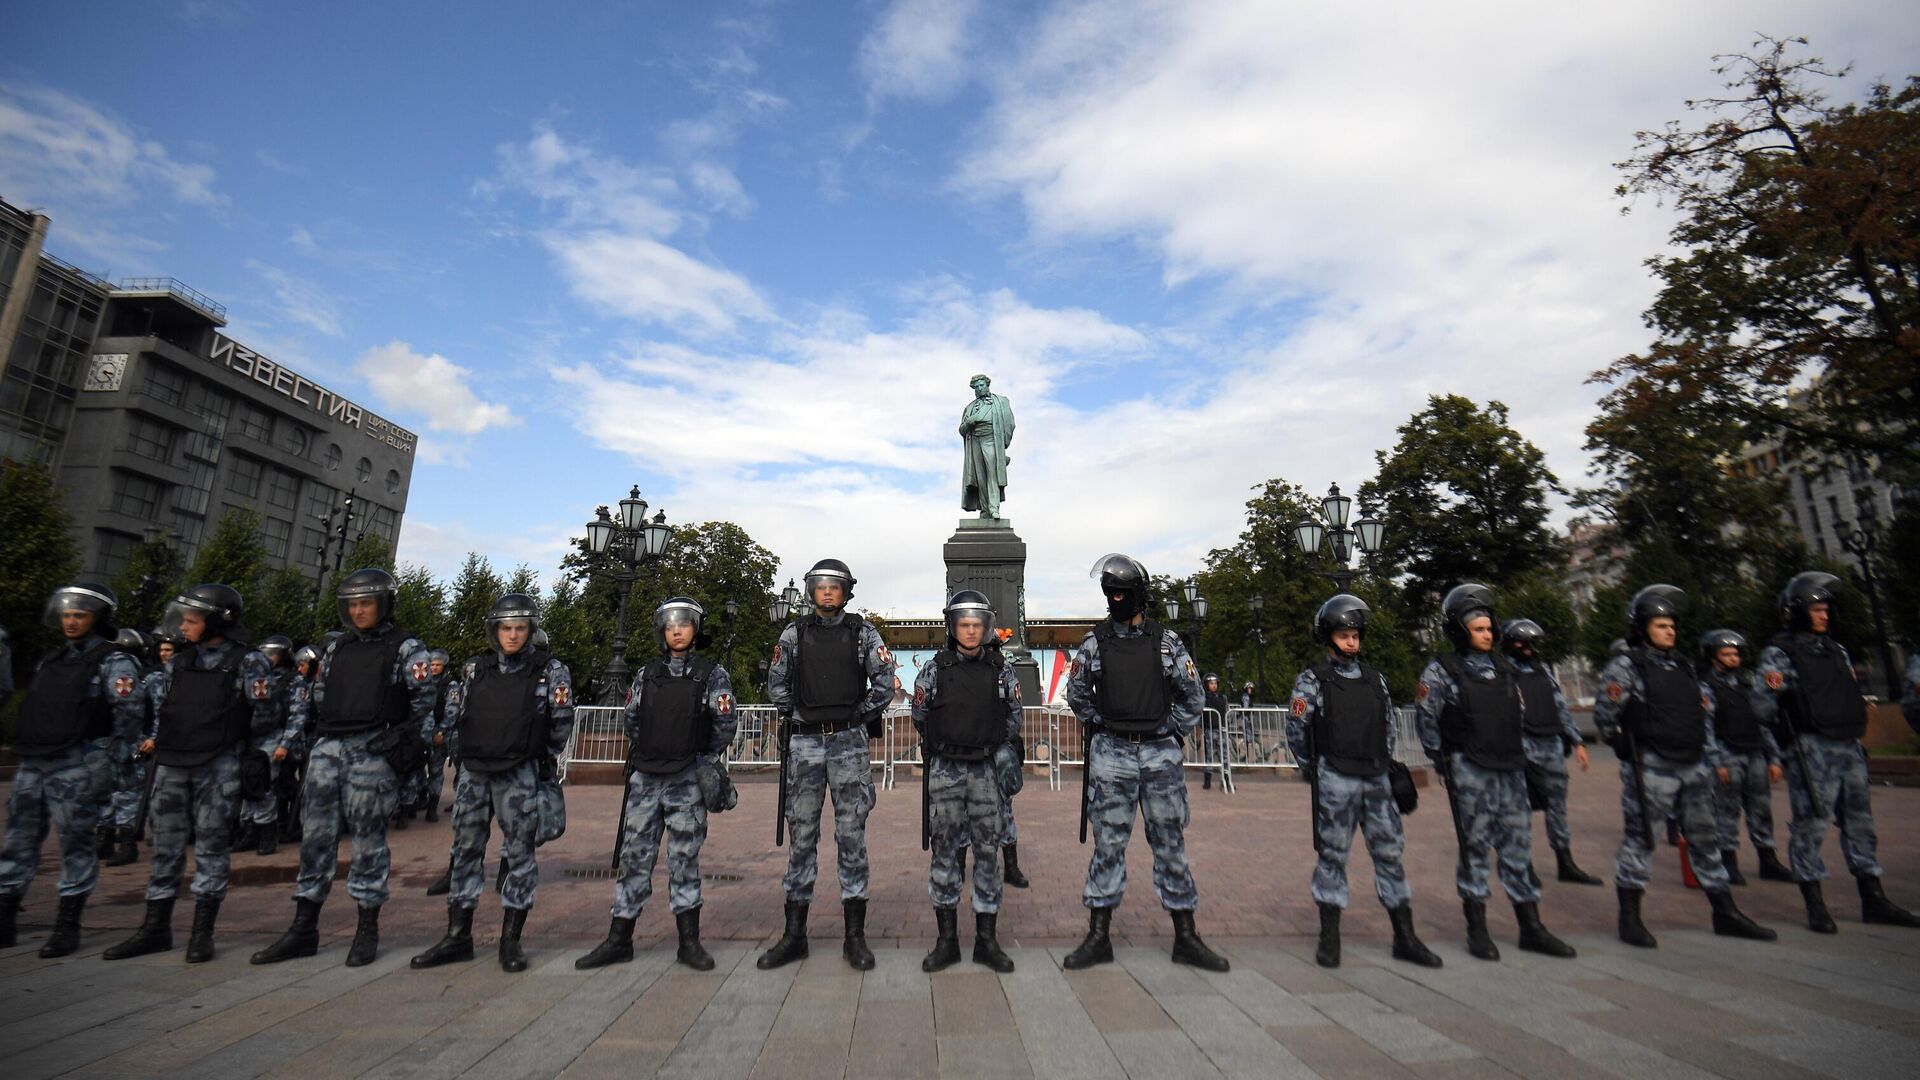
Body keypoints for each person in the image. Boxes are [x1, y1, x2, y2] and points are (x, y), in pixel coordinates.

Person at [252, 568, 434, 968]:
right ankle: (303, 928)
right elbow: (321, 695)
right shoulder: (336, 649)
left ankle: (366, 928)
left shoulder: (407, 649)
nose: (358, 611)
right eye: (352, 605)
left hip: (372, 752)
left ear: (384, 604)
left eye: (365, 603)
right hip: (329, 749)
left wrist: (393, 745)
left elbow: (422, 704)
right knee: (315, 838)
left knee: (368, 843)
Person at [1062, 554, 1229, 972]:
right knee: (1109, 845)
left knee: (1170, 843)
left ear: (1139, 595)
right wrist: (1102, 725)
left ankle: (1186, 936)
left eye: (1123, 592)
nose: (1116, 599)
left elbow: (1193, 695)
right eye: (1110, 592)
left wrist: (1169, 731)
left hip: (1158, 754)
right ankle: (1099, 935)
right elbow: (1077, 693)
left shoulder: (1166, 642)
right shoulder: (1094, 643)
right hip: (1113, 754)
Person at [1593, 585, 1775, 947]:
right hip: (1651, 767)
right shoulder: (1627, 667)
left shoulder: (1685, 667)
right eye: (1661, 625)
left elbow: (1701, 715)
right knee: (1642, 840)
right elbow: (1604, 716)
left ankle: (1725, 912)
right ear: (1642, 627)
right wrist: (1628, 746)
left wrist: (1707, 758)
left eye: (1672, 625)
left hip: (1691, 765)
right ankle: (1630, 919)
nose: (1669, 631)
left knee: (1706, 839)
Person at [103, 585, 275, 963]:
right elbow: (165, 711)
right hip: (173, 764)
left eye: (192, 621)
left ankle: (202, 933)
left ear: (217, 621)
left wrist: (236, 747)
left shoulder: (248, 662)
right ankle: (155, 928)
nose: (183, 627)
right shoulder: (179, 662)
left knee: (212, 848)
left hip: (218, 765)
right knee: (164, 847)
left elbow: (262, 716)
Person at [412, 594, 574, 973]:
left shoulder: (551, 671)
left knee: (519, 855)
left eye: (520, 628)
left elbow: (560, 722)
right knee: (465, 851)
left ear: (530, 630)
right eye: (506, 628)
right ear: (495, 631)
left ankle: (510, 941)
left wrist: (537, 758)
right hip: (475, 773)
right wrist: (463, 754)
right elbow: (459, 715)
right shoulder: (476, 670)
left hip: (519, 772)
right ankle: (457, 936)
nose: (513, 635)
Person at [1415, 583, 1576, 962]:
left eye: (1489, 629)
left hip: (1509, 769)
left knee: (1518, 846)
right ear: (1459, 631)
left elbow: (1517, 713)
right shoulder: (1443, 671)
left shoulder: (1506, 668)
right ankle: (1478, 929)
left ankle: (1531, 927)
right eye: (1479, 629)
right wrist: (1441, 758)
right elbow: (1426, 717)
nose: (1488, 635)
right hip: (1469, 769)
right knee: (1474, 849)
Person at [579, 598, 737, 971]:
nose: (677, 630)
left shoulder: (711, 675)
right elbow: (631, 720)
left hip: (686, 779)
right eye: (670, 625)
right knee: (635, 857)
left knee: (684, 859)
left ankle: (689, 943)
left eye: (684, 624)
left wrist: (698, 755)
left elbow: (724, 725)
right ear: (662, 632)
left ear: (696, 630)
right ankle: (619, 939)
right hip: (647, 779)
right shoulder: (646, 674)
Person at [1759, 572, 1920, 932]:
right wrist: (1788, 734)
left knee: (1860, 823)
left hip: (1848, 746)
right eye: (1816, 609)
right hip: (1812, 749)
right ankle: (1815, 903)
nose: (1824, 615)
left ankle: (1873, 898)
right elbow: (1763, 704)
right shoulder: (1780, 653)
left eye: (1826, 609)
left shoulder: (1836, 648)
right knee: (1811, 826)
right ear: (1797, 611)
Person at [1288, 594, 1440, 970]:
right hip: (1337, 779)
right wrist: (1316, 768)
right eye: (1343, 635)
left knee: (1390, 855)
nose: (1351, 642)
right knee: (1333, 857)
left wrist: (1384, 765)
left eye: (1355, 635)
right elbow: (1297, 729)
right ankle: (1330, 937)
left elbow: (1387, 727)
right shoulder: (1313, 680)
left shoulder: (1376, 680)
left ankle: (1404, 936)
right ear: (1329, 636)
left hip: (1375, 780)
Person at [759, 559, 895, 971]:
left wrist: (856, 715)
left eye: (835, 586)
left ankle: (855, 937)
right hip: (805, 746)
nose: (828, 592)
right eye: (820, 585)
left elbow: (885, 683)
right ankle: (794, 936)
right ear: (811, 591)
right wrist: (801, 714)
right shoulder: (794, 634)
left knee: (851, 835)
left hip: (848, 743)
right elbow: (777, 684)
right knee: (802, 836)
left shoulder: (863, 633)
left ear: (846, 591)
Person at [0, 584, 144, 956]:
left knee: (76, 844)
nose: (71, 621)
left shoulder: (113, 660)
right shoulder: (53, 658)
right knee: (18, 841)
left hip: (75, 762)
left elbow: (127, 716)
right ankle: (4, 916)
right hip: (34, 760)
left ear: (97, 619)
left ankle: (67, 924)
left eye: (79, 615)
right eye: (67, 614)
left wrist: (109, 761)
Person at [912, 591, 1021, 973]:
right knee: (944, 852)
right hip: (946, 770)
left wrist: (988, 742)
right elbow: (920, 713)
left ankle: (986, 942)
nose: (971, 631)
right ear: (953, 628)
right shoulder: (934, 668)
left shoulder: (1001, 670)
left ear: (986, 627)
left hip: (986, 771)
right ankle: (947, 942)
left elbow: (1014, 717)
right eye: (964, 625)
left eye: (977, 625)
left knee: (987, 854)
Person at [1497, 619, 1600, 887]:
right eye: (1524, 642)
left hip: (1551, 744)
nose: (1529, 648)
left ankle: (1565, 861)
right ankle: (1523, 865)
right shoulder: (1501, 672)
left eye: (1533, 642)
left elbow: (1561, 708)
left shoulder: (1543, 671)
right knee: (1519, 810)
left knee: (1557, 807)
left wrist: (1578, 742)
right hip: (1523, 749)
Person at [1699, 629, 1792, 884]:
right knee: (1727, 811)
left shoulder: (1748, 684)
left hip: (1754, 753)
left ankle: (1768, 860)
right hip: (1727, 755)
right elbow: (1705, 728)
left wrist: (1773, 758)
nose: (1733, 659)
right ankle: (1728, 862)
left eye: (1736, 654)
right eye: (1726, 654)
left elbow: (1762, 723)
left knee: (1761, 809)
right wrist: (1716, 761)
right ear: (1713, 657)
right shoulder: (1707, 687)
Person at [97, 628, 153, 867]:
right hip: (113, 739)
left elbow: (128, 705)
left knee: (125, 792)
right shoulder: (120, 664)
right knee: (113, 792)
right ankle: (106, 839)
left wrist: (127, 741)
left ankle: (126, 844)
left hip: (116, 740)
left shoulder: (118, 665)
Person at [237, 634, 295, 856]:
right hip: (248, 737)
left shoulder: (291, 680)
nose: (269, 658)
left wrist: (286, 743)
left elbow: (295, 715)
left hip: (272, 737)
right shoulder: (252, 675)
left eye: (274, 654)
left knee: (263, 785)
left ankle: (267, 834)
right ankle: (249, 831)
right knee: (246, 784)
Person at [423, 648, 453, 823]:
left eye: (437, 665)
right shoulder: (423, 683)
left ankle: (432, 807)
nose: (434, 668)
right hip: (421, 734)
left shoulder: (450, 685)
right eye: (431, 664)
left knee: (435, 771)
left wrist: (441, 731)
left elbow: (451, 711)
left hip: (438, 733)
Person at [1200, 672, 1229, 790]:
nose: (1214, 685)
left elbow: (1227, 712)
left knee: (1225, 756)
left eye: (1215, 683)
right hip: (1210, 730)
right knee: (1209, 757)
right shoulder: (1204, 698)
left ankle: (1227, 779)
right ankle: (1207, 781)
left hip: (1221, 729)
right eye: (1211, 683)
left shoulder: (1222, 697)